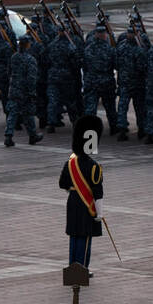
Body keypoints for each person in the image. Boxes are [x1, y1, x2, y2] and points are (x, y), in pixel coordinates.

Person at [59, 115, 105, 271]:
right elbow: (98, 193)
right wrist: (99, 214)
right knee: (85, 238)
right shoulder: (94, 167)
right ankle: (82, 268)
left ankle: (72, 265)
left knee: (74, 236)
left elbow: (62, 184)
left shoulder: (70, 162)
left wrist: (74, 189)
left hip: (72, 201)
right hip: (87, 205)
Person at [4, 35, 43, 147]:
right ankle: (32, 136)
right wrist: (32, 92)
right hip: (25, 91)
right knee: (28, 114)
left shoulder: (14, 57)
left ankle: (8, 135)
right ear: (27, 44)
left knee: (13, 113)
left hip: (14, 88)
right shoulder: (30, 59)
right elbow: (32, 78)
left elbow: (9, 72)